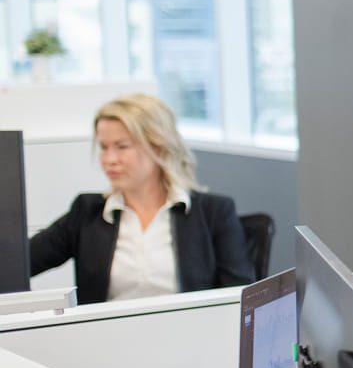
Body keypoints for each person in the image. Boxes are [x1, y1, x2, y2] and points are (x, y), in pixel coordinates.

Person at [29, 93, 254, 303]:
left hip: (189, 338)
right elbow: (19, 264)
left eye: (122, 147)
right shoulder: (87, 212)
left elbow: (239, 298)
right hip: (107, 341)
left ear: (159, 147)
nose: (109, 159)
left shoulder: (213, 212)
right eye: (104, 147)